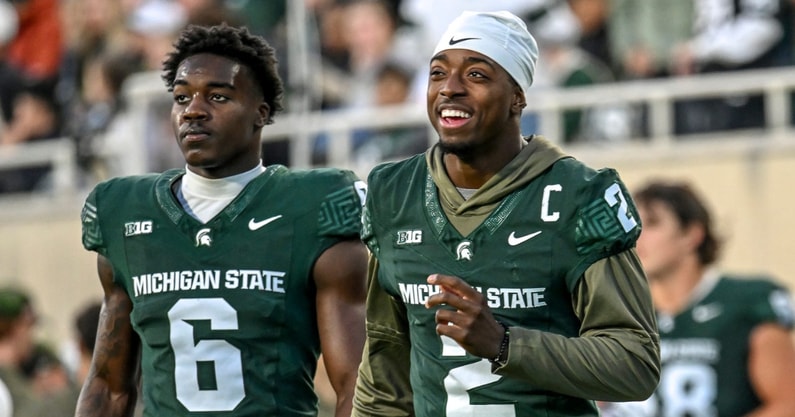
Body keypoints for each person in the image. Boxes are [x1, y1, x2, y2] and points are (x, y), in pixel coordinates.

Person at [352, 10, 660, 416]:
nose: (450, 89)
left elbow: (634, 364)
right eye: (438, 73)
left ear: (518, 96)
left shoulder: (579, 196)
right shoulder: (394, 193)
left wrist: (504, 344)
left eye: (476, 75)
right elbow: (384, 383)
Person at [76, 24, 368, 417]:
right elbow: (109, 388)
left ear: (260, 113)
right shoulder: (128, 213)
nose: (193, 110)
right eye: (182, 97)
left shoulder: (310, 207)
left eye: (217, 96)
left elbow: (357, 385)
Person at [599, 180, 795, 417]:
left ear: (691, 234)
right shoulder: (614, 310)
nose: (636, 235)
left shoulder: (746, 302)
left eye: (652, 223)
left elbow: (788, 405)